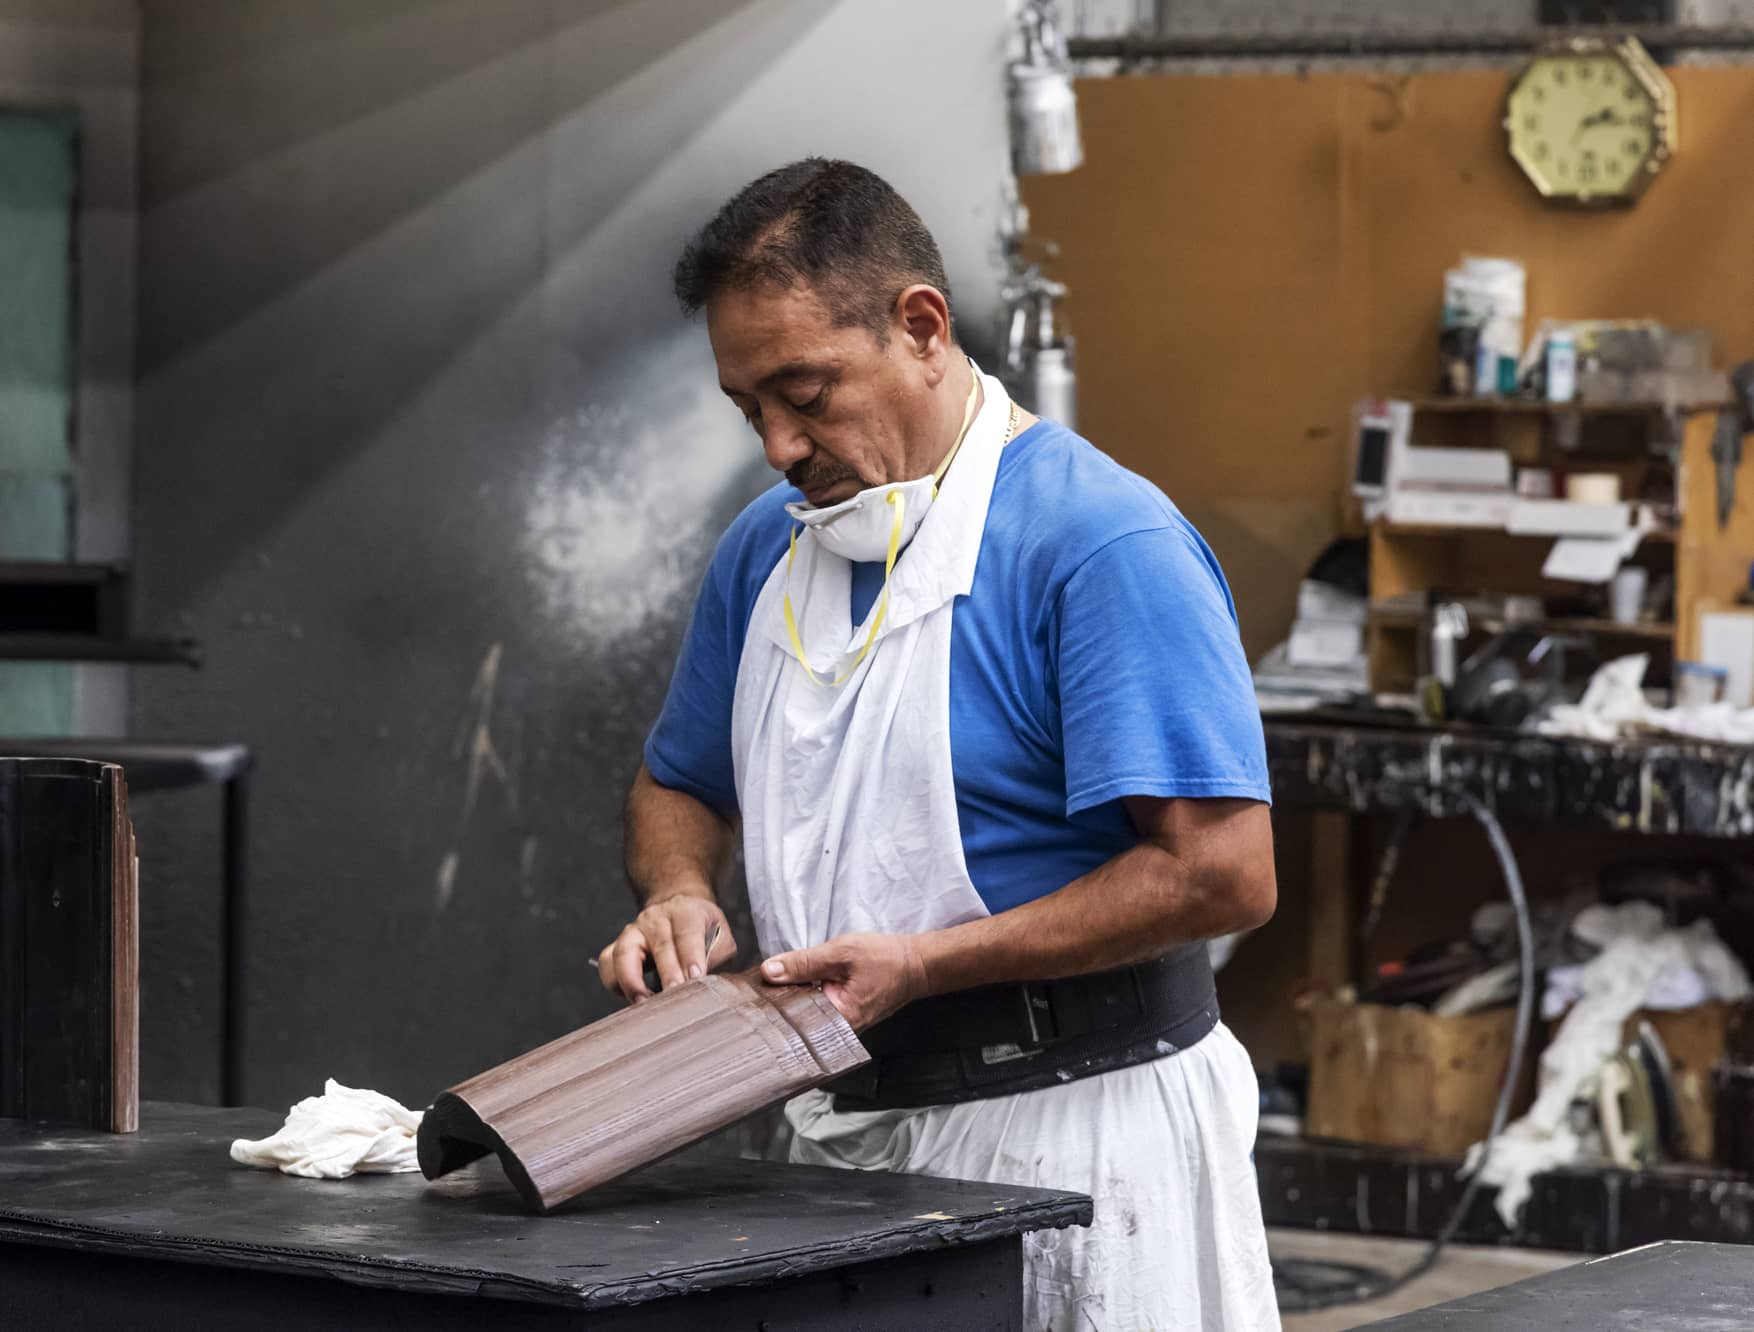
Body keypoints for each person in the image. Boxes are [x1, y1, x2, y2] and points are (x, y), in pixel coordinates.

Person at [600, 158, 1280, 1329]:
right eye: (746, 406)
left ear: (920, 326)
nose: (774, 445)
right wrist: (674, 888)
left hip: (1081, 1130)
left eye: (804, 393)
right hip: (844, 1120)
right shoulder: (768, 550)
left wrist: (927, 966)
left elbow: (1222, 873)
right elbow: (679, 779)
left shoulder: (1096, 543)